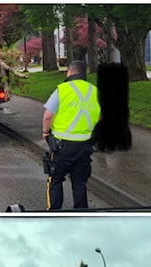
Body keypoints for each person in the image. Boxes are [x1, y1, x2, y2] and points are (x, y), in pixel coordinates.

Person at [42, 60, 101, 209]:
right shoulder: (94, 91)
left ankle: (55, 214)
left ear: (70, 72)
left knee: (55, 180)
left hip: (62, 147)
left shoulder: (62, 90)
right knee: (79, 183)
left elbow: (48, 116)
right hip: (85, 146)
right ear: (84, 73)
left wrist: (45, 132)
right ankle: (80, 216)